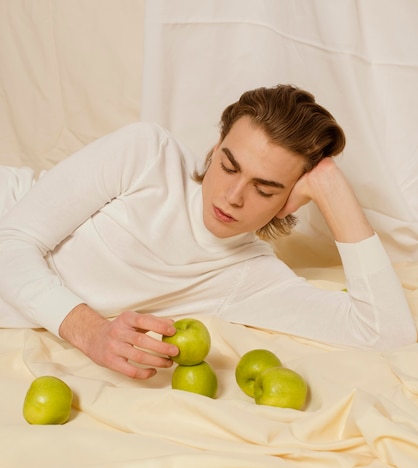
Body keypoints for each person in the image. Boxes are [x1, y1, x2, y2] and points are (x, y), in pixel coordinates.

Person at [0, 84, 415, 379]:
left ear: (290, 199)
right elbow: (12, 243)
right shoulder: (147, 155)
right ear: (216, 148)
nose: (233, 196)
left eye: (264, 188)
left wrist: (332, 189)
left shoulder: (249, 279)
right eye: (229, 166)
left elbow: (386, 332)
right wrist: (89, 331)